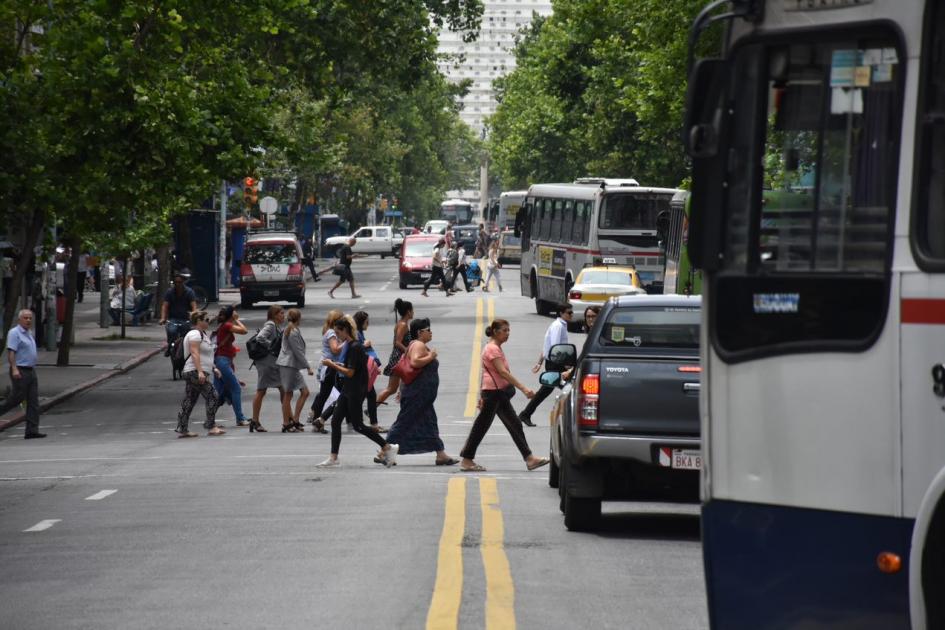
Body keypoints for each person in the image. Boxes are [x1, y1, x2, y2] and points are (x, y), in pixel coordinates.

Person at [458, 319, 549, 472]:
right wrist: (524, 388)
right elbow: (502, 372)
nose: (507, 334)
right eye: (504, 330)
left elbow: (486, 373)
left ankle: (530, 459)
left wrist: (482, 395)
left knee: (514, 424)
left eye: (508, 330)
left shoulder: (495, 348)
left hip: (496, 393)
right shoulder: (492, 349)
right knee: (481, 426)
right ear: (495, 331)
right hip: (494, 393)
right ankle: (467, 460)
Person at [317, 317, 398, 468]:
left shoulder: (354, 347)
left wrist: (331, 365)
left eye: (337, 332)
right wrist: (337, 364)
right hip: (348, 389)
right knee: (335, 421)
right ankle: (333, 457)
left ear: (345, 330)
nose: (337, 336)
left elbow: (350, 372)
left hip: (355, 390)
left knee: (358, 425)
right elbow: (353, 367)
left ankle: (387, 446)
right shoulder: (350, 346)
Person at [382, 318, 457, 465]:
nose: (431, 332)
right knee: (404, 422)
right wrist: (431, 356)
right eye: (428, 330)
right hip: (417, 394)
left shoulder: (414, 344)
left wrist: (401, 388)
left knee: (430, 423)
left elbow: (407, 368)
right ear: (420, 332)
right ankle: (383, 452)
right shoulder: (418, 344)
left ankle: (440, 454)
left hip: (421, 395)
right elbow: (414, 362)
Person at [518, 302, 573, 427]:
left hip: (554, 363)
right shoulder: (558, 326)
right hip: (555, 364)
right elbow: (555, 347)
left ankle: (525, 414)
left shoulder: (560, 325)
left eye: (572, 312)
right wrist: (565, 365)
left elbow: (547, 346)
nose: (571, 315)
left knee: (552, 390)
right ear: (561, 313)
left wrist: (540, 362)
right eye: (569, 313)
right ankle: (525, 414)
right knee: (568, 388)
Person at [175, 310, 225, 437]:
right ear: (199, 321)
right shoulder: (195, 334)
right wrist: (200, 372)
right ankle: (211, 425)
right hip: (194, 371)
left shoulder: (203, 335)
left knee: (190, 400)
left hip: (196, 371)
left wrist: (213, 368)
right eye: (206, 320)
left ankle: (183, 428)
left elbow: (205, 355)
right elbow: (195, 353)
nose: (209, 322)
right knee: (213, 395)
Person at [0, 309, 43, 439]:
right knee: (16, 398)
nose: (28, 320)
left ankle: (31, 430)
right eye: (25, 318)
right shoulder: (14, 333)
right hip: (20, 370)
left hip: (30, 370)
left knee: (33, 401)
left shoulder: (29, 332)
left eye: (30, 318)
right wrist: (14, 368)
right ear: (19, 319)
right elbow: (11, 352)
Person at [276, 308, 314, 432]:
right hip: (289, 365)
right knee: (288, 394)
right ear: (299, 318)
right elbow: (297, 351)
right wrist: (308, 367)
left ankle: (295, 420)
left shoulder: (292, 329)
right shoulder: (292, 331)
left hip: (291, 365)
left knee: (303, 392)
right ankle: (286, 423)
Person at [308, 309, 346, 432]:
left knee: (325, 393)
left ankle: (316, 416)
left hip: (330, 365)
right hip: (329, 366)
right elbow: (335, 349)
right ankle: (318, 421)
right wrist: (347, 342)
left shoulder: (330, 331)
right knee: (325, 394)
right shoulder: (331, 333)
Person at [249, 305, 284, 433]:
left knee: (279, 389)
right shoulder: (270, 325)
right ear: (274, 315)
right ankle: (255, 420)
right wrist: (272, 346)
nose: (283, 316)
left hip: (270, 363)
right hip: (266, 363)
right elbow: (260, 338)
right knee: (263, 390)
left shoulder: (275, 326)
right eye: (281, 313)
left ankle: (255, 421)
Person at [212, 305, 249, 427]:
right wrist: (237, 319)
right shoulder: (227, 325)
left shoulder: (223, 326)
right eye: (234, 313)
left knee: (220, 393)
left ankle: (210, 419)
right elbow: (244, 330)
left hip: (223, 362)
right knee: (236, 389)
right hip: (223, 362)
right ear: (231, 315)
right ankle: (240, 418)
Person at [353, 310, 386, 433]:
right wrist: (364, 345)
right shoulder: (356, 334)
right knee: (351, 398)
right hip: (359, 371)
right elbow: (355, 350)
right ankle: (372, 425)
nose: (368, 324)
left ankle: (372, 424)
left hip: (362, 371)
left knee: (367, 395)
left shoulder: (359, 332)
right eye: (367, 322)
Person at [376, 298, 413, 405]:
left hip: (399, 358)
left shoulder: (402, 323)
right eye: (412, 310)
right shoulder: (403, 325)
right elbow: (397, 342)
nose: (413, 313)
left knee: (395, 387)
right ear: (408, 311)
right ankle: (371, 409)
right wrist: (408, 351)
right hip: (398, 359)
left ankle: (372, 409)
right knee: (391, 388)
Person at [160, 272, 197, 351]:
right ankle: (170, 345)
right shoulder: (170, 292)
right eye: (175, 282)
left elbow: (194, 306)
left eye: (179, 282)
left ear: (183, 282)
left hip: (185, 319)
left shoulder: (189, 292)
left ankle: (187, 349)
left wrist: (194, 316)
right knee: (171, 330)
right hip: (173, 318)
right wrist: (163, 318)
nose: (177, 284)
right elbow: (165, 306)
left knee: (188, 333)